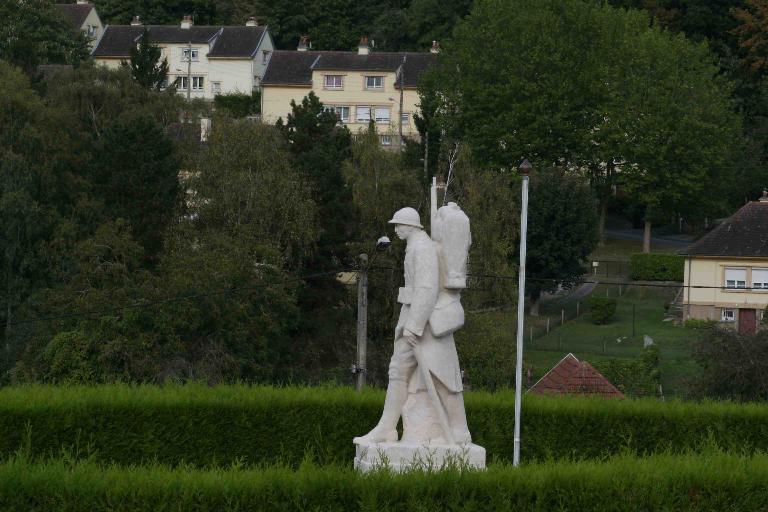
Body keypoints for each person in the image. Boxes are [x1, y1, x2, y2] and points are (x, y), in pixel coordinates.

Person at [354, 207, 470, 445]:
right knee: (398, 371)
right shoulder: (415, 247)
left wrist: (414, 326)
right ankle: (386, 428)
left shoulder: (422, 248)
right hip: (416, 318)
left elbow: (427, 290)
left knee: (442, 376)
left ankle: (459, 431)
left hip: (425, 323)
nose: (395, 230)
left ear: (411, 227)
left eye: (398, 225)